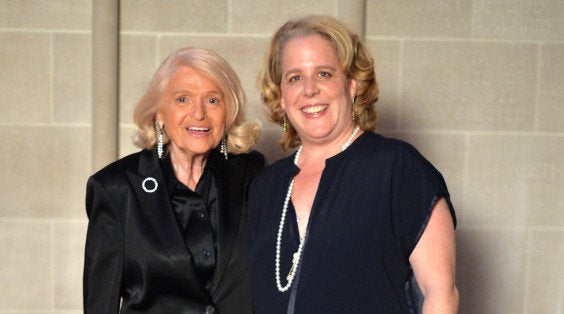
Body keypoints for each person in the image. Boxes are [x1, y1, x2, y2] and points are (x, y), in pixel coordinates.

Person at [248, 15, 458, 313]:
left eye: (323, 74)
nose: (309, 90)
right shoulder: (265, 186)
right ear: (281, 97)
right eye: (295, 77)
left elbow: (440, 291)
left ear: (351, 85)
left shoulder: (397, 168)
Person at [83, 47, 265, 313]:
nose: (199, 113)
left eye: (213, 100)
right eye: (183, 99)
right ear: (159, 113)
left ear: (229, 112)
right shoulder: (115, 188)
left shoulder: (254, 173)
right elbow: (100, 304)